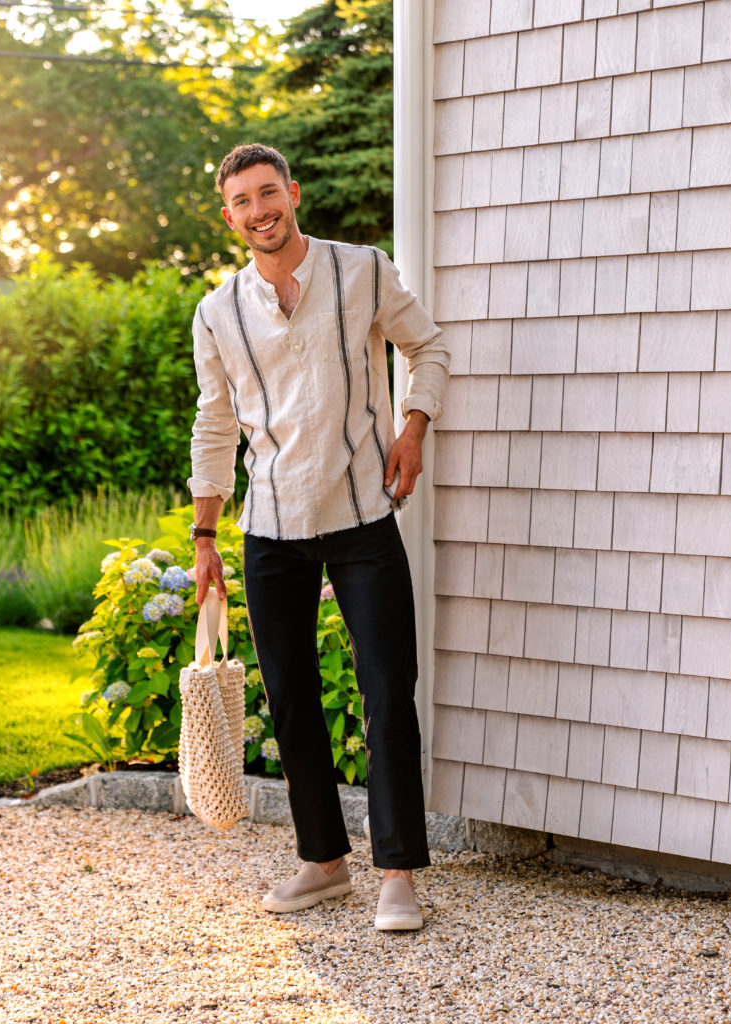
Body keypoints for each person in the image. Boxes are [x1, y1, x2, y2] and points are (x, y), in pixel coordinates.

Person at [188, 143, 449, 931]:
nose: (260, 210)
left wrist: (414, 428)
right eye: (243, 201)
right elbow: (214, 420)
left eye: (269, 193)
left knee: (385, 692)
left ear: (291, 193)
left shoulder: (361, 268)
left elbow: (426, 347)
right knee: (292, 699)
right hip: (269, 526)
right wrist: (205, 533)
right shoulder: (216, 311)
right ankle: (323, 862)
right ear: (229, 216)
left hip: (363, 511)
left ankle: (397, 872)